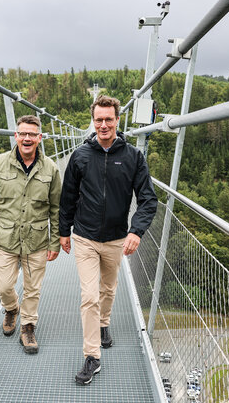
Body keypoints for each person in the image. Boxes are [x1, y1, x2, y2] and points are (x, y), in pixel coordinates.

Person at [59, 95, 157, 384]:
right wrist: (64, 231)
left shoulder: (133, 157)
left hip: (116, 238)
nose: (103, 124)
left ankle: (104, 324)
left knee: (108, 289)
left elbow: (148, 199)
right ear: (94, 121)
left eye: (109, 119)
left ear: (117, 120)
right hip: (86, 236)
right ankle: (92, 356)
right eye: (98, 119)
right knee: (89, 296)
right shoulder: (80, 156)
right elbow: (67, 198)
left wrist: (136, 230)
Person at [0, 114, 61, 354]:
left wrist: (55, 241)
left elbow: (57, 208)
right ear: (16, 136)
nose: (27, 138)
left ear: (40, 138)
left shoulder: (52, 169)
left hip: (36, 240)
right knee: (3, 286)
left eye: (32, 134)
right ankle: (12, 308)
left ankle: (28, 326)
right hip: (4, 239)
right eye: (22, 133)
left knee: (33, 289)